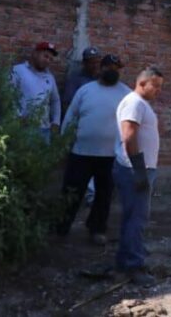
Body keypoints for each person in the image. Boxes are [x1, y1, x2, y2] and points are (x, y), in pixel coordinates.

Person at [57, 54, 130, 244]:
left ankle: (97, 229)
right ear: (101, 68)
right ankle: (61, 227)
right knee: (71, 192)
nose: (111, 71)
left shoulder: (126, 94)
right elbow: (71, 116)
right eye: (107, 67)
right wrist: (64, 140)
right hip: (81, 152)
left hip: (110, 155)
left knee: (104, 195)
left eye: (115, 68)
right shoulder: (85, 90)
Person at [114, 66, 164, 286]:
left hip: (139, 168)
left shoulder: (140, 104)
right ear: (142, 83)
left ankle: (125, 261)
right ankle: (134, 266)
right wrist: (139, 170)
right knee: (137, 219)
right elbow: (129, 135)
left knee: (132, 217)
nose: (158, 91)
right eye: (156, 86)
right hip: (134, 169)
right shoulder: (134, 103)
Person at [11, 41, 62, 143]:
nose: (48, 60)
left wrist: (56, 122)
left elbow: (55, 101)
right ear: (35, 53)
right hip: (23, 128)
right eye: (45, 56)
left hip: (45, 130)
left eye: (50, 59)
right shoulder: (19, 70)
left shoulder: (50, 77)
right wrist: (17, 116)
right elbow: (8, 93)